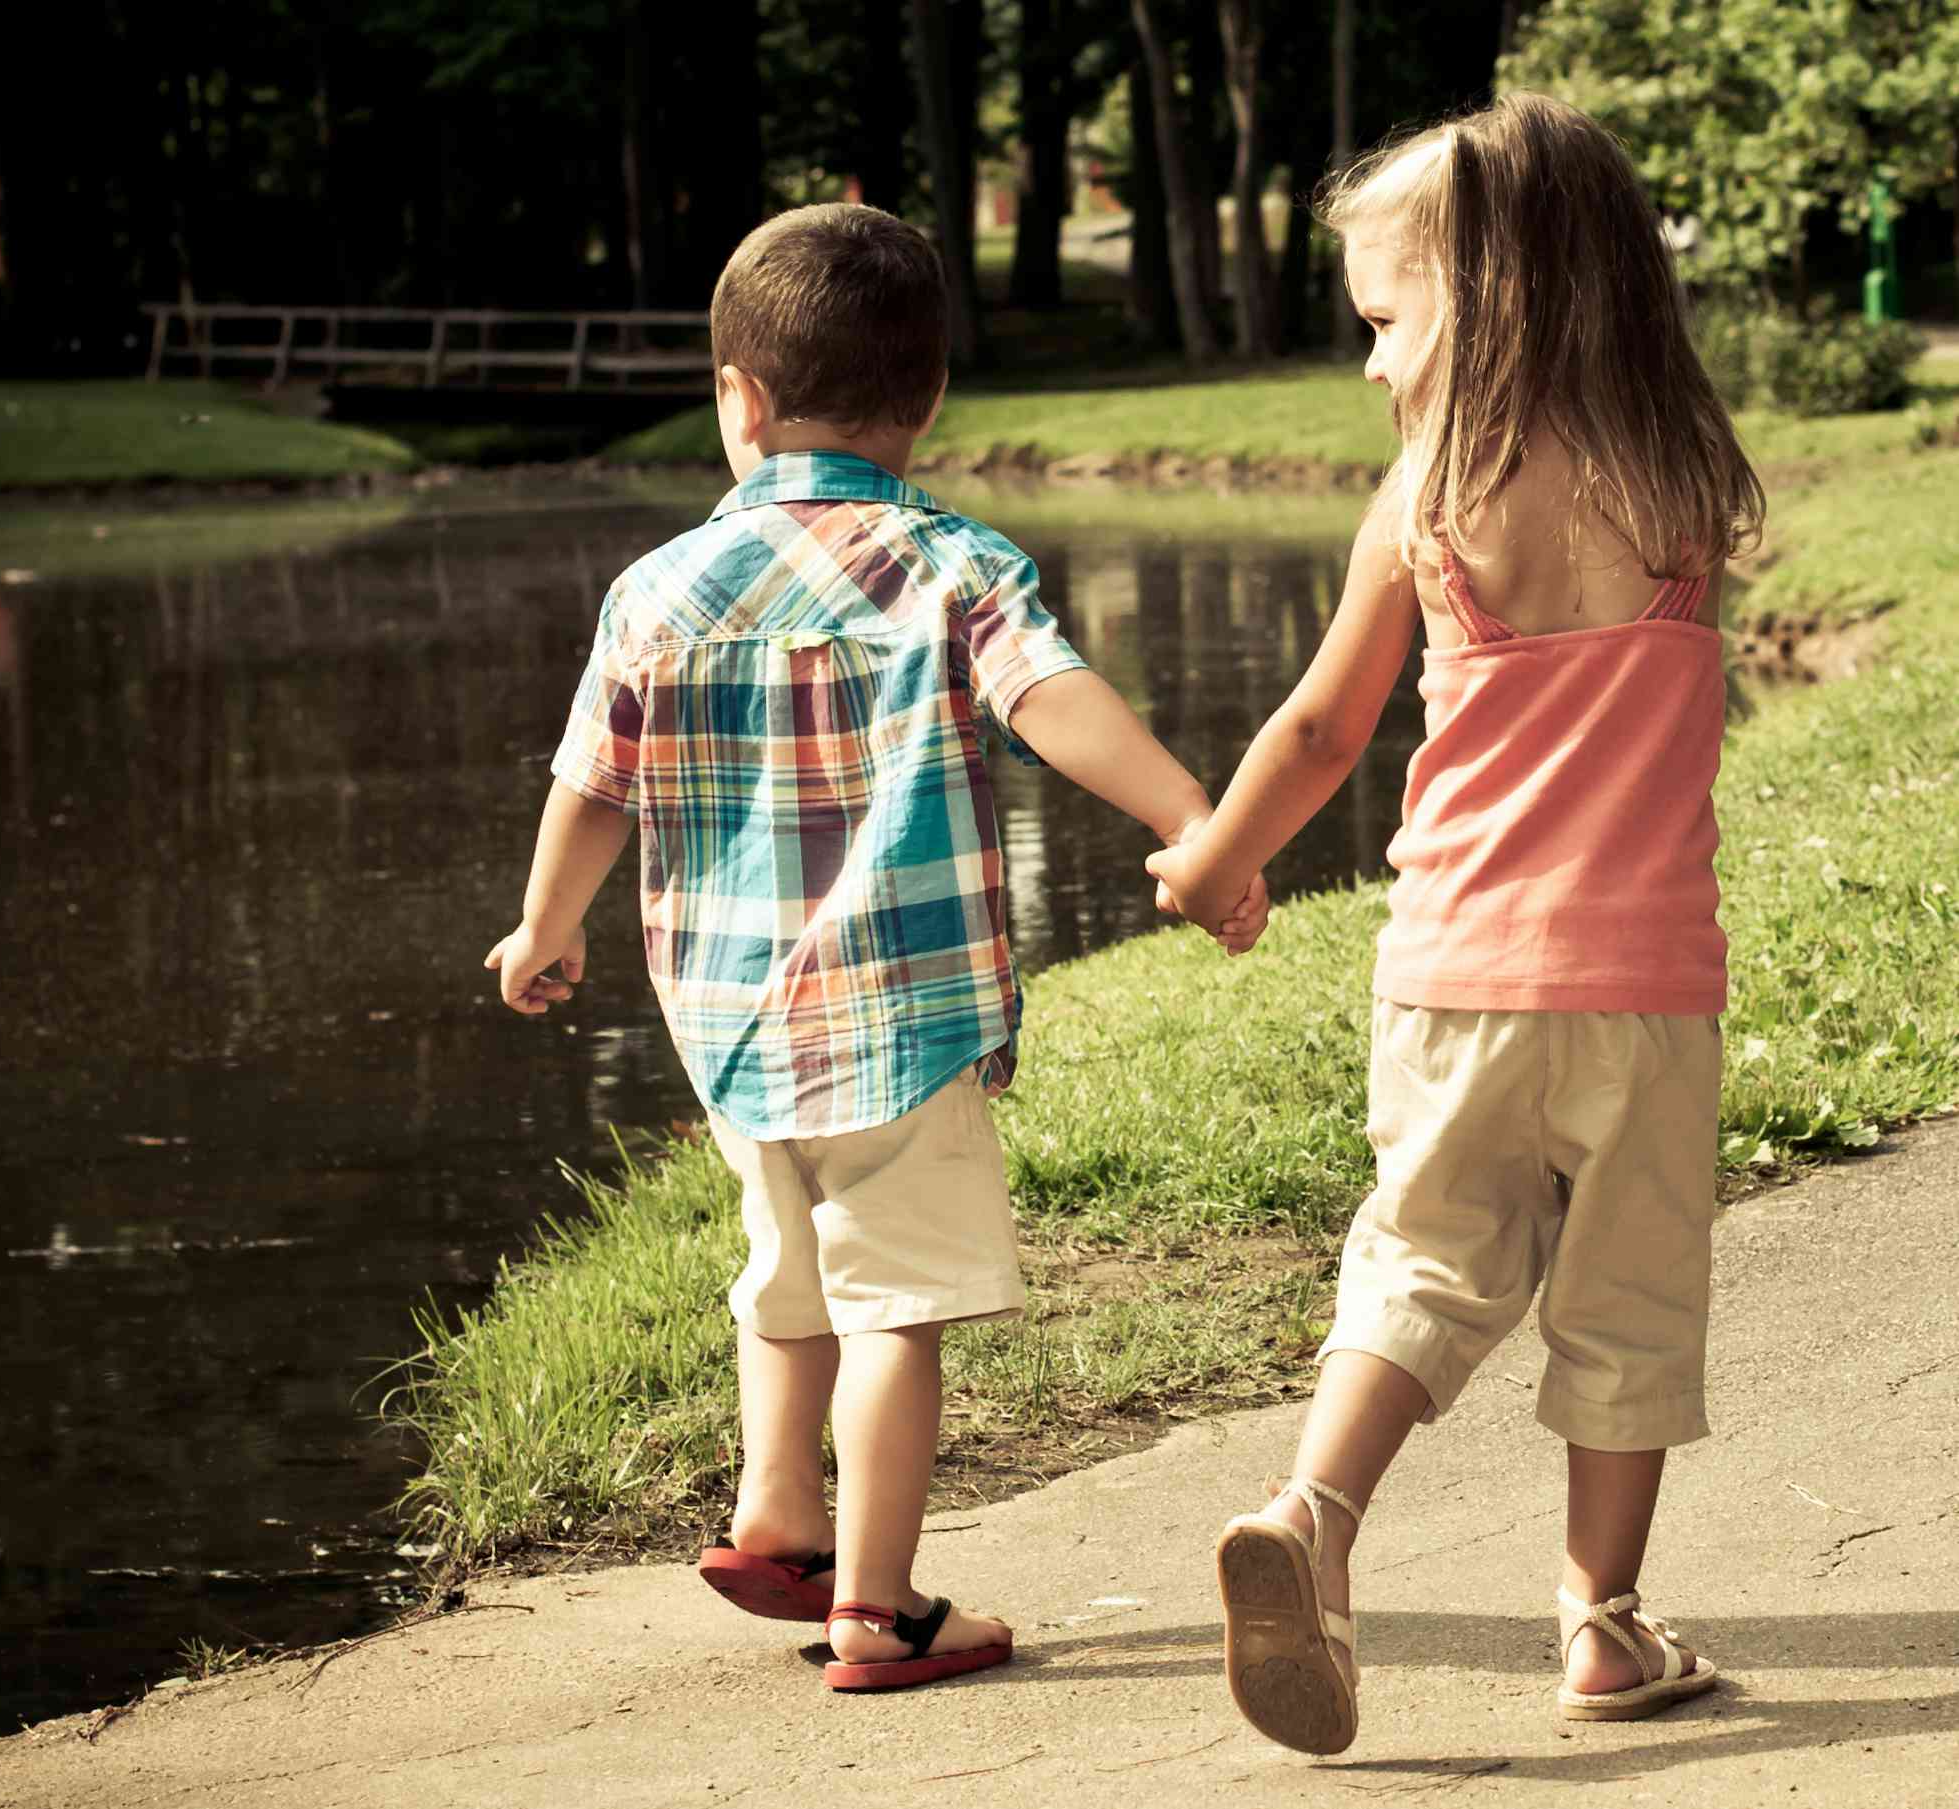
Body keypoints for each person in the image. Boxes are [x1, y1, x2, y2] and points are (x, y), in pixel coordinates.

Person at [487, 202, 1266, 1692]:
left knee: (787, 1268)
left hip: (726, 1020)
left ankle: (779, 1512)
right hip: (897, 1010)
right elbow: (1054, 701)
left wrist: (543, 923)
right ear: (927, 402)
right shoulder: (948, 564)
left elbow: (592, 779)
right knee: (896, 1300)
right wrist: (1193, 822)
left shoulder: (653, 589)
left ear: (740, 399)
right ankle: (879, 1603)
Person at [1148, 92, 1765, 1754]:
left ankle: (1315, 1517)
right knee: (1628, 1303)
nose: (1368, 365)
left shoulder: (1426, 495)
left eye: (1385, 320)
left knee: (1422, 1263)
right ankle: (1601, 1628)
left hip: (1453, 973)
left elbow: (1322, 731)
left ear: (1482, 306)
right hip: (1643, 982)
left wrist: (1212, 861)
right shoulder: (1683, 477)